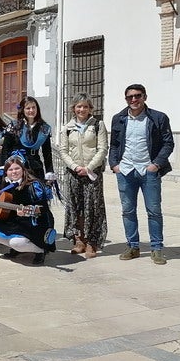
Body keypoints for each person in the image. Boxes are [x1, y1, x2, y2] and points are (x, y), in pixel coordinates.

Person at [109, 84, 174, 265]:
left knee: (154, 211)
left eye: (137, 96)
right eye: (130, 97)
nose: (134, 99)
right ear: (126, 99)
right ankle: (133, 246)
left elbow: (168, 143)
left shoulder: (158, 118)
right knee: (128, 211)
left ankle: (157, 248)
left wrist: (156, 164)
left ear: (145, 97)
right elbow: (114, 144)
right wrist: (114, 165)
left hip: (148, 171)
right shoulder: (119, 118)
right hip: (126, 171)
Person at [58, 93, 108, 259]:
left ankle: (92, 242)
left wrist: (89, 167)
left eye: (85, 106)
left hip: (92, 173)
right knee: (76, 207)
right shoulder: (67, 128)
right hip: (74, 173)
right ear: (74, 108)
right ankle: (79, 240)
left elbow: (102, 149)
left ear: (90, 108)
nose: (82, 109)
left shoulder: (98, 125)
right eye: (79, 106)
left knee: (93, 207)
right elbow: (63, 151)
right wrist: (75, 167)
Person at [0, 154, 56, 265]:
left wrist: (27, 213)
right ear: (6, 172)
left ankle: (40, 250)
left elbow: (43, 209)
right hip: (14, 220)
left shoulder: (34, 185)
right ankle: (17, 248)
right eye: (10, 170)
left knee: (16, 243)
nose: (14, 172)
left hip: (35, 223)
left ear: (23, 170)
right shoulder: (4, 182)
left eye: (17, 168)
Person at [2, 96, 55, 181]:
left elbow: (47, 152)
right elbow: (5, 149)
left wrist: (49, 171)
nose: (31, 110)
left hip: (35, 167)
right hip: (17, 167)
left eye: (34, 107)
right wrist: (3, 169)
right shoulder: (14, 126)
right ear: (23, 110)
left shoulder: (44, 128)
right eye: (28, 108)